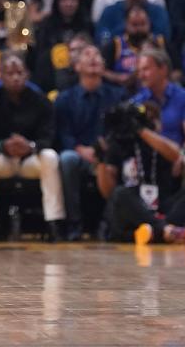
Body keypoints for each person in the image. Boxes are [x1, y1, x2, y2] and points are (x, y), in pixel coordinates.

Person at [0, 55, 66, 241]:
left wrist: (30, 146)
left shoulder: (40, 100)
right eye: (10, 73)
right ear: (0, 76)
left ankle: (54, 223)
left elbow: (48, 137)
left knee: (50, 157)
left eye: (19, 72)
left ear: (27, 74)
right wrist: (3, 145)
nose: (15, 77)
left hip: (30, 160)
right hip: (4, 160)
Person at [97, 101, 185, 245]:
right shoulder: (118, 145)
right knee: (120, 193)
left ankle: (155, 233)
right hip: (132, 208)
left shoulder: (161, 144)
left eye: (150, 120)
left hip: (161, 206)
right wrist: (101, 161)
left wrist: (141, 130)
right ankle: (167, 232)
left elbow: (175, 154)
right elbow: (107, 192)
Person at [55, 45, 125, 241]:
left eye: (97, 55)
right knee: (67, 159)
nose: (93, 58)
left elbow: (121, 131)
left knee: (123, 161)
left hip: (109, 153)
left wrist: (107, 151)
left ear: (103, 65)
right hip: (79, 153)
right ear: (76, 66)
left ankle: (109, 223)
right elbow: (62, 134)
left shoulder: (117, 96)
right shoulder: (65, 99)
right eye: (87, 54)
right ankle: (74, 224)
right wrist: (80, 149)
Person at [131, 48, 185, 187]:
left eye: (146, 69)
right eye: (139, 71)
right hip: (147, 157)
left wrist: (180, 155)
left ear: (162, 69)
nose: (141, 75)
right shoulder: (136, 103)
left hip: (176, 155)